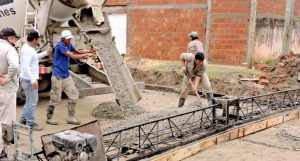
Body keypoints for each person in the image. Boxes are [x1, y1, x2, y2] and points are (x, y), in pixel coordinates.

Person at [46, 30, 95, 125]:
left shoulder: (69, 45)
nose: (70, 40)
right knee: (55, 98)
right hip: (57, 77)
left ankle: (71, 117)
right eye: (68, 39)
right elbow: (72, 56)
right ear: (63, 39)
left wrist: (90, 51)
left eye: (70, 38)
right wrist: (86, 55)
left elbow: (77, 51)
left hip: (66, 76)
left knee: (74, 95)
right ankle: (49, 118)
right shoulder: (60, 46)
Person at [19, 30, 51, 131]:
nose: (40, 40)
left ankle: (23, 120)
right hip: (29, 80)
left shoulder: (27, 47)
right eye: (38, 38)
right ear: (34, 39)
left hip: (26, 79)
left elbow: (34, 58)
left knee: (29, 101)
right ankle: (30, 123)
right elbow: (26, 67)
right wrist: (33, 80)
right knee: (32, 102)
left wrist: (46, 53)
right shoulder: (28, 50)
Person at [0, 27, 20, 159]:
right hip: (6, 90)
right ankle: (1, 151)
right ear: (10, 38)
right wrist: (7, 78)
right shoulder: (9, 49)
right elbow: (15, 66)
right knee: (5, 121)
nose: (15, 40)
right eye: (14, 38)